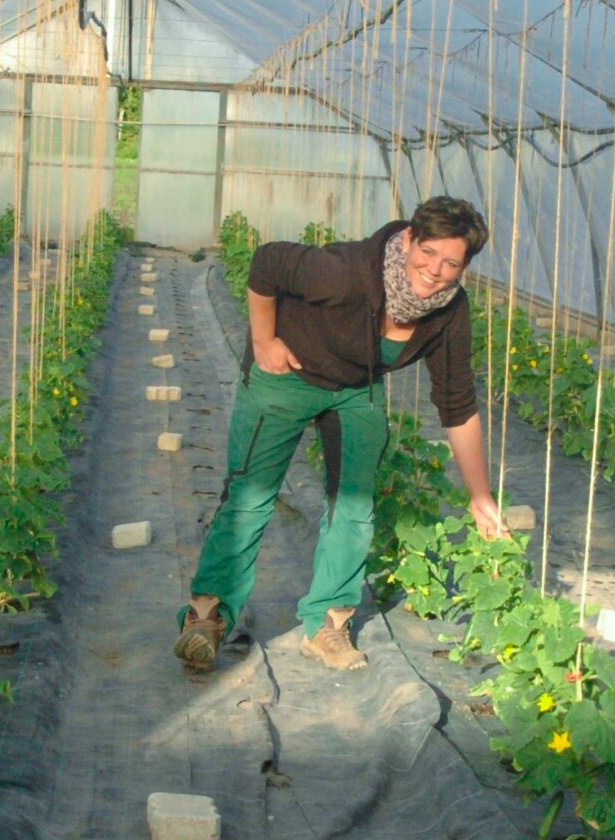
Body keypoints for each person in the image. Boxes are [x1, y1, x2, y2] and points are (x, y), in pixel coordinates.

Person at [174, 196, 508, 673]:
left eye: (451, 263)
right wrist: (264, 340)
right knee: (250, 495)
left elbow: (456, 401)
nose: (435, 270)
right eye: (428, 252)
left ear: (464, 268)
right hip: (287, 374)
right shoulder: (346, 272)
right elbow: (267, 262)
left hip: (355, 389)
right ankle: (208, 613)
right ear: (409, 240)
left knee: (354, 505)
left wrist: (479, 495)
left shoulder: (447, 312)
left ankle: (327, 625)